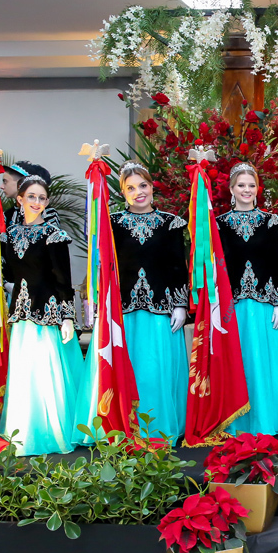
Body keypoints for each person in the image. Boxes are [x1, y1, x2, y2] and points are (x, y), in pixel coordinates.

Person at [216, 164, 278, 436]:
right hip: (233, 306)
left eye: (251, 185)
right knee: (240, 361)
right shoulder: (219, 223)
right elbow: (217, 265)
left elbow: (277, 264)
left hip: (266, 304)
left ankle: (269, 420)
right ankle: (238, 421)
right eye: (241, 185)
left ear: (257, 189)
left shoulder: (271, 222)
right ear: (231, 189)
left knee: (267, 363)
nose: (247, 190)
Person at [0, 173, 84, 455]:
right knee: (24, 375)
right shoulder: (8, 235)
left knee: (47, 374)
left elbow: (63, 281)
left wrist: (68, 317)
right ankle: (24, 432)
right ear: (19, 199)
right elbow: (7, 273)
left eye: (42, 198)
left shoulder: (54, 235)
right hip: (20, 315)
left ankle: (51, 433)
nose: (37, 202)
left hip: (47, 315)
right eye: (31, 196)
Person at [106, 162, 190, 443]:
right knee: (132, 371)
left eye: (143, 185)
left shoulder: (171, 223)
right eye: (130, 188)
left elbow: (178, 266)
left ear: (152, 187)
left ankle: (159, 429)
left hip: (161, 312)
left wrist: (180, 305)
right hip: (125, 313)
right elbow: (107, 268)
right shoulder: (112, 224)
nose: (138, 192)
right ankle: (128, 429)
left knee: (156, 373)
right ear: (123, 192)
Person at [1, 160, 59, 229]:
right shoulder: (8, 214)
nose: (1, 186)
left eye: (5, 181)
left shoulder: (48, 214)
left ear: (20, 183)